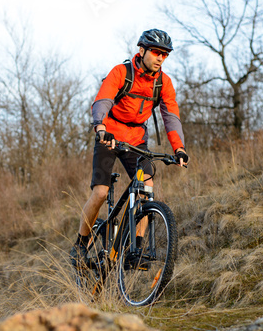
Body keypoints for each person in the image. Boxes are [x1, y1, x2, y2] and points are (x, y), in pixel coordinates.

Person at [70, 28, 189, 266]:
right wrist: (100, 127)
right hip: (110, 134)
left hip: (136, 140)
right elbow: (103, 100)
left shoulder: (163, 83)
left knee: (146, 188)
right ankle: (81, 245)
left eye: (165, 55)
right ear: (142, 50)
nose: (160, 58)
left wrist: (179, 148)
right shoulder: (121, 72)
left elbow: (171, 117)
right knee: (101, 192)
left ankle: (136, 248)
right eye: (156, 52)